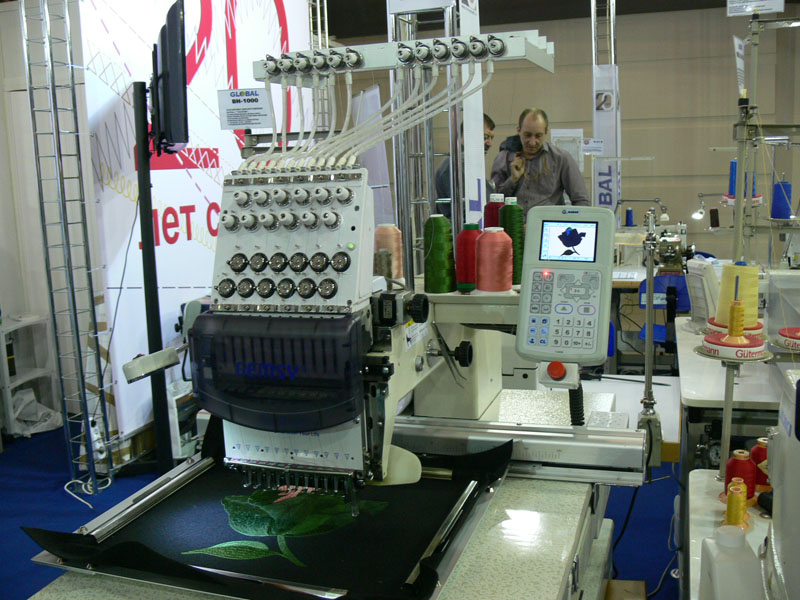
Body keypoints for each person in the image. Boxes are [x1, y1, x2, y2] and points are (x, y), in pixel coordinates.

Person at [490, 108, 590, 212]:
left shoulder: (561, 159)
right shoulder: (503, 158)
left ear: (546, 131)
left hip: (548, 222)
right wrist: (512, 180)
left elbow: (582, 201)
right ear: (519, 130)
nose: (532, 142)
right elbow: (492, 202)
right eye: (527, 135)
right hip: (511, 221)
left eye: (538, 136)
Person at [434, 113, 495, 217]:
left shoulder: (465, 163)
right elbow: (467, 212)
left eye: (491, 138)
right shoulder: (457, 165)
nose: (490, 143)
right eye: (485, 137)